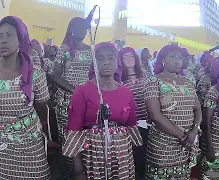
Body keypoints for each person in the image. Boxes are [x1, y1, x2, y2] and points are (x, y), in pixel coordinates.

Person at [62, 42, 137, 180]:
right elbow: (74, 130)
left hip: (121, 157)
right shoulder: (82, 91)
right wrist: (79, 171)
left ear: (117, 62)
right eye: (100, 58)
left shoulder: (126, 92)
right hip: (93, 155)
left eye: (111, 58)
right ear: (94, 63)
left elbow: (131, 125)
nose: (106, 63)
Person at [0, 16, 51, 179]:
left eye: (9, 35)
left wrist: (24, 125)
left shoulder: (34, 72)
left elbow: (42, 105)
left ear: (20, 39)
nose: (3, 40)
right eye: (0, 36)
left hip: (29, 143)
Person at [144, 44, 202, 179]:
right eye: (172, 57)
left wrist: (194, 130)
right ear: (162, 60)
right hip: (162, 145)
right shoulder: (153, 81)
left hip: (186, 143)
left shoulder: (187, 82)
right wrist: (182, 136)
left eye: (180, 58)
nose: (177, 61)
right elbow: (155, 115)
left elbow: (198, 109)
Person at [52, 17, 92, 179]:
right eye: (79, 27)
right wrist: (76, 91)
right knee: (66, 136)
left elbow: (93, 74)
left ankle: (83, 171)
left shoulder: (91, 50)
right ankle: (66, 172)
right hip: (66, 99)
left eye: (85, 28)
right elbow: (55, 76)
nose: (82, 31)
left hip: (87, 100)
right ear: (72, 29)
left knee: (85, 135)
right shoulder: (64, 49)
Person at [119, 47, 146, 178]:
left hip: (148, 120)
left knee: (147, 149)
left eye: (131, 56)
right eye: (125, 57)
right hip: (132, 122)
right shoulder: (120, 80)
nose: (129, 59)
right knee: (136, 151)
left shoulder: (144, 74)